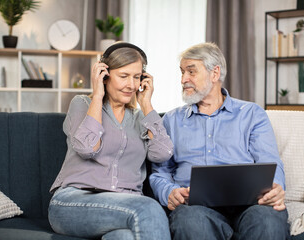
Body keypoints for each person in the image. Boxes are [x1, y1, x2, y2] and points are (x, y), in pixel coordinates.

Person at [149, 42, 290, 239]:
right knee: (190, 221)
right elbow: (160, 173)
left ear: (215, 74)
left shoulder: (252, 114)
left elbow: (271, 163)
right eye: (181, 72)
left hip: (251, 205)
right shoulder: (171, 120)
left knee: (268, 220)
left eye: (191, 72)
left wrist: (275, 187)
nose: (183, 79)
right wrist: (169, 192)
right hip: (195, 207)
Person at [48, 42, 173, 240]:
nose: (131, 85)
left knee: (124, 237)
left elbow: (162, 153)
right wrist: (98, 94)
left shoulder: (142, 119)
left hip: (125, 204)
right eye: (123, 76)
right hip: (74, 202)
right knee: (149, 207)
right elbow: (87, 148)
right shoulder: (83, 104)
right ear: (104, 75)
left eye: (137, 77)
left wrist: (147, 105)